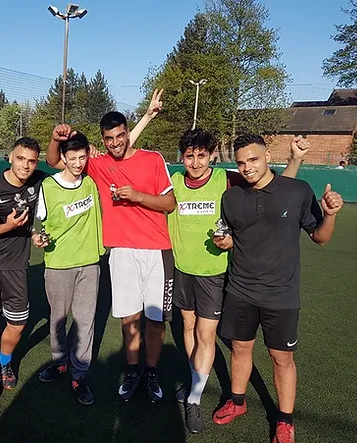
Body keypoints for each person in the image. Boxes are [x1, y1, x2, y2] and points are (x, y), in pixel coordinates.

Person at [129, 118, 308, 432]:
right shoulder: (173, 182)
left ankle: (195, 397)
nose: (195, 163)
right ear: (181, 157)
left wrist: (294, 160)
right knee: (187, 327)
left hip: (215, 273)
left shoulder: (227, 180)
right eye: (189, 156)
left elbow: (276, 192)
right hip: (181, 269)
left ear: (211, 155)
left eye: (201, 156)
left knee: (206, 335)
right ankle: (196, 379)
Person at [212, 134, 343, 443]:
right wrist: (224, 241)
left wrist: (331, 215)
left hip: (281, 295)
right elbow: (230, 235)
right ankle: (237, 400)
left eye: (253, 159)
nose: (247, 168)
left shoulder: (297, 191)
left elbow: (320, 238)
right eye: (241, 162)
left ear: (268, 155)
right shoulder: (231, 196)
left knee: (281, 358)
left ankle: (285, 421)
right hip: (240, 290)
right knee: (240, 349)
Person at [46, 93, 176, 403]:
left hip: (157, 251)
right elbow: (54, 161)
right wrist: (55, 138)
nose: (116, 142)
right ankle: (133, 372)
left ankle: (151, 370)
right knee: (129, 318)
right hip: (120, 252)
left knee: (155, 320)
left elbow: (170, 203)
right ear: (103, 141)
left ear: (127, 132)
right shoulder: (99, 165)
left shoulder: (153, 159)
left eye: (120, 135)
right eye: (109, 138)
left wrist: (138, 196)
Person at [0, 137, 47, 403]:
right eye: (20, 158)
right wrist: (8, 226)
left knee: (17, 324)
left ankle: (6, 362)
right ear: (10, 157)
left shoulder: (39, 181)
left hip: (17, 266)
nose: (25, 166)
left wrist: (33, 235)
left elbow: (60, 162)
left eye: (31, 161)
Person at [34, 132, 104, 406]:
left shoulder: (91, 181)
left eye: (82, 157)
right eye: (72, 158)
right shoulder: (48, 187)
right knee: (58, 319)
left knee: (86, 320)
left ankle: (80, 374)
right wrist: (37, 236)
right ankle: (59, 362)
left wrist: (147, 116)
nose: (77, 163)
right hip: (58, 264)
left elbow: (122, 147)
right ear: (62, 158)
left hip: (89, 263)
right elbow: (38, 223)